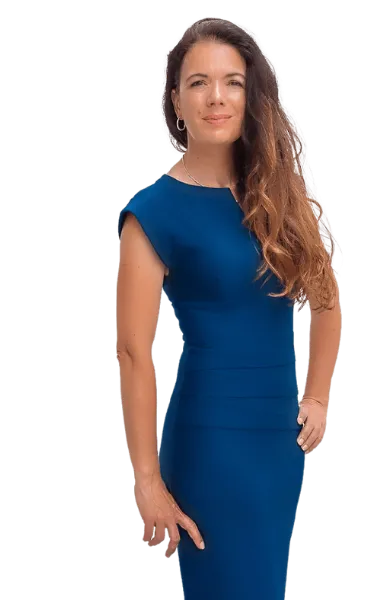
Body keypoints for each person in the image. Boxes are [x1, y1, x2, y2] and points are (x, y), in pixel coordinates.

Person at [115, 16, 342, 600]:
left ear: (251, 95)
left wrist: (318, 395)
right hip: (209, 442)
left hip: (278, 445)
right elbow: (135, 352)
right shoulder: (152, 213)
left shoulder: (278, 195)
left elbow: (326, 297)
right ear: (176, 101)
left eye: (232, 82)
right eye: (198, 82)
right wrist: (147, 481)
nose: (216, 97)